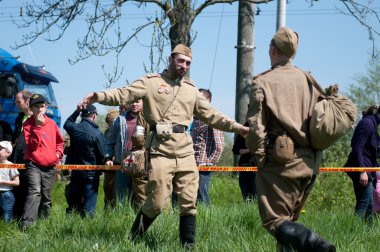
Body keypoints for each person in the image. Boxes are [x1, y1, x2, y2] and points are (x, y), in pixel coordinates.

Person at [82, 44, 248, 247]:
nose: (184, 66)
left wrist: (239, 128)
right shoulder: (151, 82)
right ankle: (134, 238)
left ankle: (188, 246)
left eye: (188, 63)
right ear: (171, 59)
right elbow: (124, 93)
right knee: (158, 202)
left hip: (185, 150)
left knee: (189, 201)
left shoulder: (191, 89)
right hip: (161, 150)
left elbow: (213, 115)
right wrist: (98, 96)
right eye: (181, 61)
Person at [245, 27, 336, 251]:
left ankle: (316, 245)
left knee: (274, 220)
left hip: (280, 163)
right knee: (288, 225)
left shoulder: (263, 82)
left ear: (272, 49)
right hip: (310, 163)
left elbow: (256, 127)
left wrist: (259, 157)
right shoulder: (309, 79)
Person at [20, 94, 64, 230]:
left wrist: (57, 154)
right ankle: (27, 224)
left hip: (50, 165)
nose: (39, 109)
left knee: (46, 196)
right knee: (35, 191)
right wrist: (37, 128)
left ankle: (44, 224)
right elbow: (32, 146)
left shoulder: (51, 124)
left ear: (46, 108)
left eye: (42, 106)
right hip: (33, 164)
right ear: (31, 108)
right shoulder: (27, 124)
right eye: (36, 107)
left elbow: (60, 142)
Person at [64, 104, 106, 218]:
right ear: (94, 116)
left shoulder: (74, 128)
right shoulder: (97, 133)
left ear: (81, 115)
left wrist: (76, 111)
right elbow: (103, 154)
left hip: (75, 172)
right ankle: (86, 229)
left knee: (73, 204)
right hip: (91, 173)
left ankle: (69, 228)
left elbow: (66, 123)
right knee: (89, 207)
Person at [104, 102, 144, 206]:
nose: (134, 104)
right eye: (132, 101)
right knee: (121, 198)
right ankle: (121, 220)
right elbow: (110, 141)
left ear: (143, 102)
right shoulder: (120, 119)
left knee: (141, 198)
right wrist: (108, 157)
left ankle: (140, 221)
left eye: (138, 101)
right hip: (125, 161)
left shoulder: (149, 118)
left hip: (142, 163)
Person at [344, 105, 379, 222]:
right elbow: (357, 148)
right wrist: (362, 171)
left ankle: (367, 232)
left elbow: (371, 152)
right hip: (359, 168)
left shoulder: (373, 125)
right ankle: (352, 230)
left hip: (366, 168)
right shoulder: (367, 124)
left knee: (369, 204)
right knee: (365, 202)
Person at [191, 88, 225, 206]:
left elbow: (220, 145)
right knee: (192, 194)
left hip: (204, 165)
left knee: (202, 193)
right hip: (192, 163)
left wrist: (209, 162)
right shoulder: (194, 119)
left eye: (199, 99)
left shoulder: (213, 118)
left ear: (208, 101)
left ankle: (208, 219)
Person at [11, 90, 33, 219]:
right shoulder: (19, 118)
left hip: (29, 161)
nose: (16, 104)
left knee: (27, 190)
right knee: (17, 189)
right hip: (16, 159)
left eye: (18, 101)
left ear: (27, 101)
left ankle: (26, 218)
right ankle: (15, 217)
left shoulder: (37, 119)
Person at [232, 122, 257, 202]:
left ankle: (255, 212)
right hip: (243, 166)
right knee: (245, 194)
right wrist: (250, 150)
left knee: (256, 193)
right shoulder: (243, 130)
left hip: (256, 167)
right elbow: (235, 150)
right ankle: (248, 212)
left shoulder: (261, 130)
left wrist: (248, 150)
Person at [103, 109, 119, 209]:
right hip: (111, 164)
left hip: (116, 163)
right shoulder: (108, 131)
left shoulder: (111, 130)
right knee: (109, 191)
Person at [0, 141, 19, 222]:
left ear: (8, 153)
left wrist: (2, 182)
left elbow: (17, 182)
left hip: (6, 195)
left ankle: (6, 230)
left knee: (6, 215)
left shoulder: (11, 165)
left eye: (0, 149)